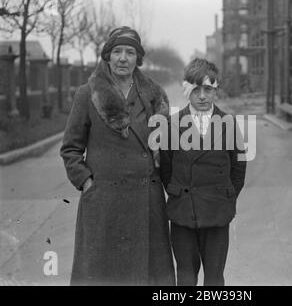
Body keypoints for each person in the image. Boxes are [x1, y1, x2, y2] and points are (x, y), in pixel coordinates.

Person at [60, 26, 174, 286]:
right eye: (117, 51)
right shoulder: (87, 94)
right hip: (104, 202)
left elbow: (166, 148)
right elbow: (70, 149)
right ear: (107, 57)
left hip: (147, 201)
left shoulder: (154, 96)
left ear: (138, 58)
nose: (123, 58)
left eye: (130, 52)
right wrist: (87, 182)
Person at [160, 58, 247, 286]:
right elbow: (167, 169)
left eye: (208, 89)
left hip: (217, 212)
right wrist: (180, 193)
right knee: (186, 275)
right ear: (187, 90)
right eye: (196, 89)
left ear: (215, 91)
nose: (201, 96)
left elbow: (238, 169)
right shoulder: (171, 125)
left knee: (214, 278)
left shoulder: (227, 122)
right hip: (182, 212)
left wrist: (223, 196)